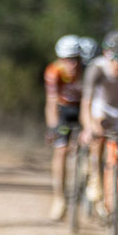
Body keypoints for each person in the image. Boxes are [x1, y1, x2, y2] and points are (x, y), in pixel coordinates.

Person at [79, 31, 118, 215]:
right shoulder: (97, 68)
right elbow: (86, 103)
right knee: (97, 136)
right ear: (105, 53)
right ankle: (95, 175)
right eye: (114, 58)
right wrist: (88, 127)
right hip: (101, 109)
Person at [45, 34, 85, 221]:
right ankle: (59, 197)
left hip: (82, 110)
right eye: (68, 60)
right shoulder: (54, 72)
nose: (72, 64)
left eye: (76, 59)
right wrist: (53, 127)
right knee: (60, 150)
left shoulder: (87, 71)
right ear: (60, 59)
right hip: (63, 111)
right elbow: (51, 103)